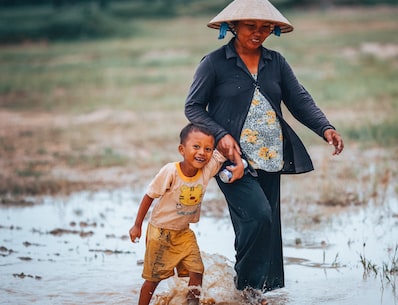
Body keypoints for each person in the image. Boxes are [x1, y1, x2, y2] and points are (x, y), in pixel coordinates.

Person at [184, 0, 344, 301]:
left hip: (271, 157)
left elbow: (299, 100)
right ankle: (247, 288)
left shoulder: (276, 62)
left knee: (265, 224)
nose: (258, 33)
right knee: (258, 216)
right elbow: (193, 106)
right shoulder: (215, 63)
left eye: (265, 28)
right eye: (251, 27)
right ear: (233, 26)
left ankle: (256, 291)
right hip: (231, 160)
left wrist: (325, 128)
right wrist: (221, 135)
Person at [129, 123, 229, 305]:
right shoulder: (171, 171)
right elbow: (149, 195)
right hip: (160, 233)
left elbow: (222, 151)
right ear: (182, 149)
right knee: (154, 279)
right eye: (196, 147)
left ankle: (192, 303)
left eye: (207, 148)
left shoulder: (206, 171)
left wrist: (228, 140)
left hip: (184, 232)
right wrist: (137, 225)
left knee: (197, 271)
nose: (202, 152)